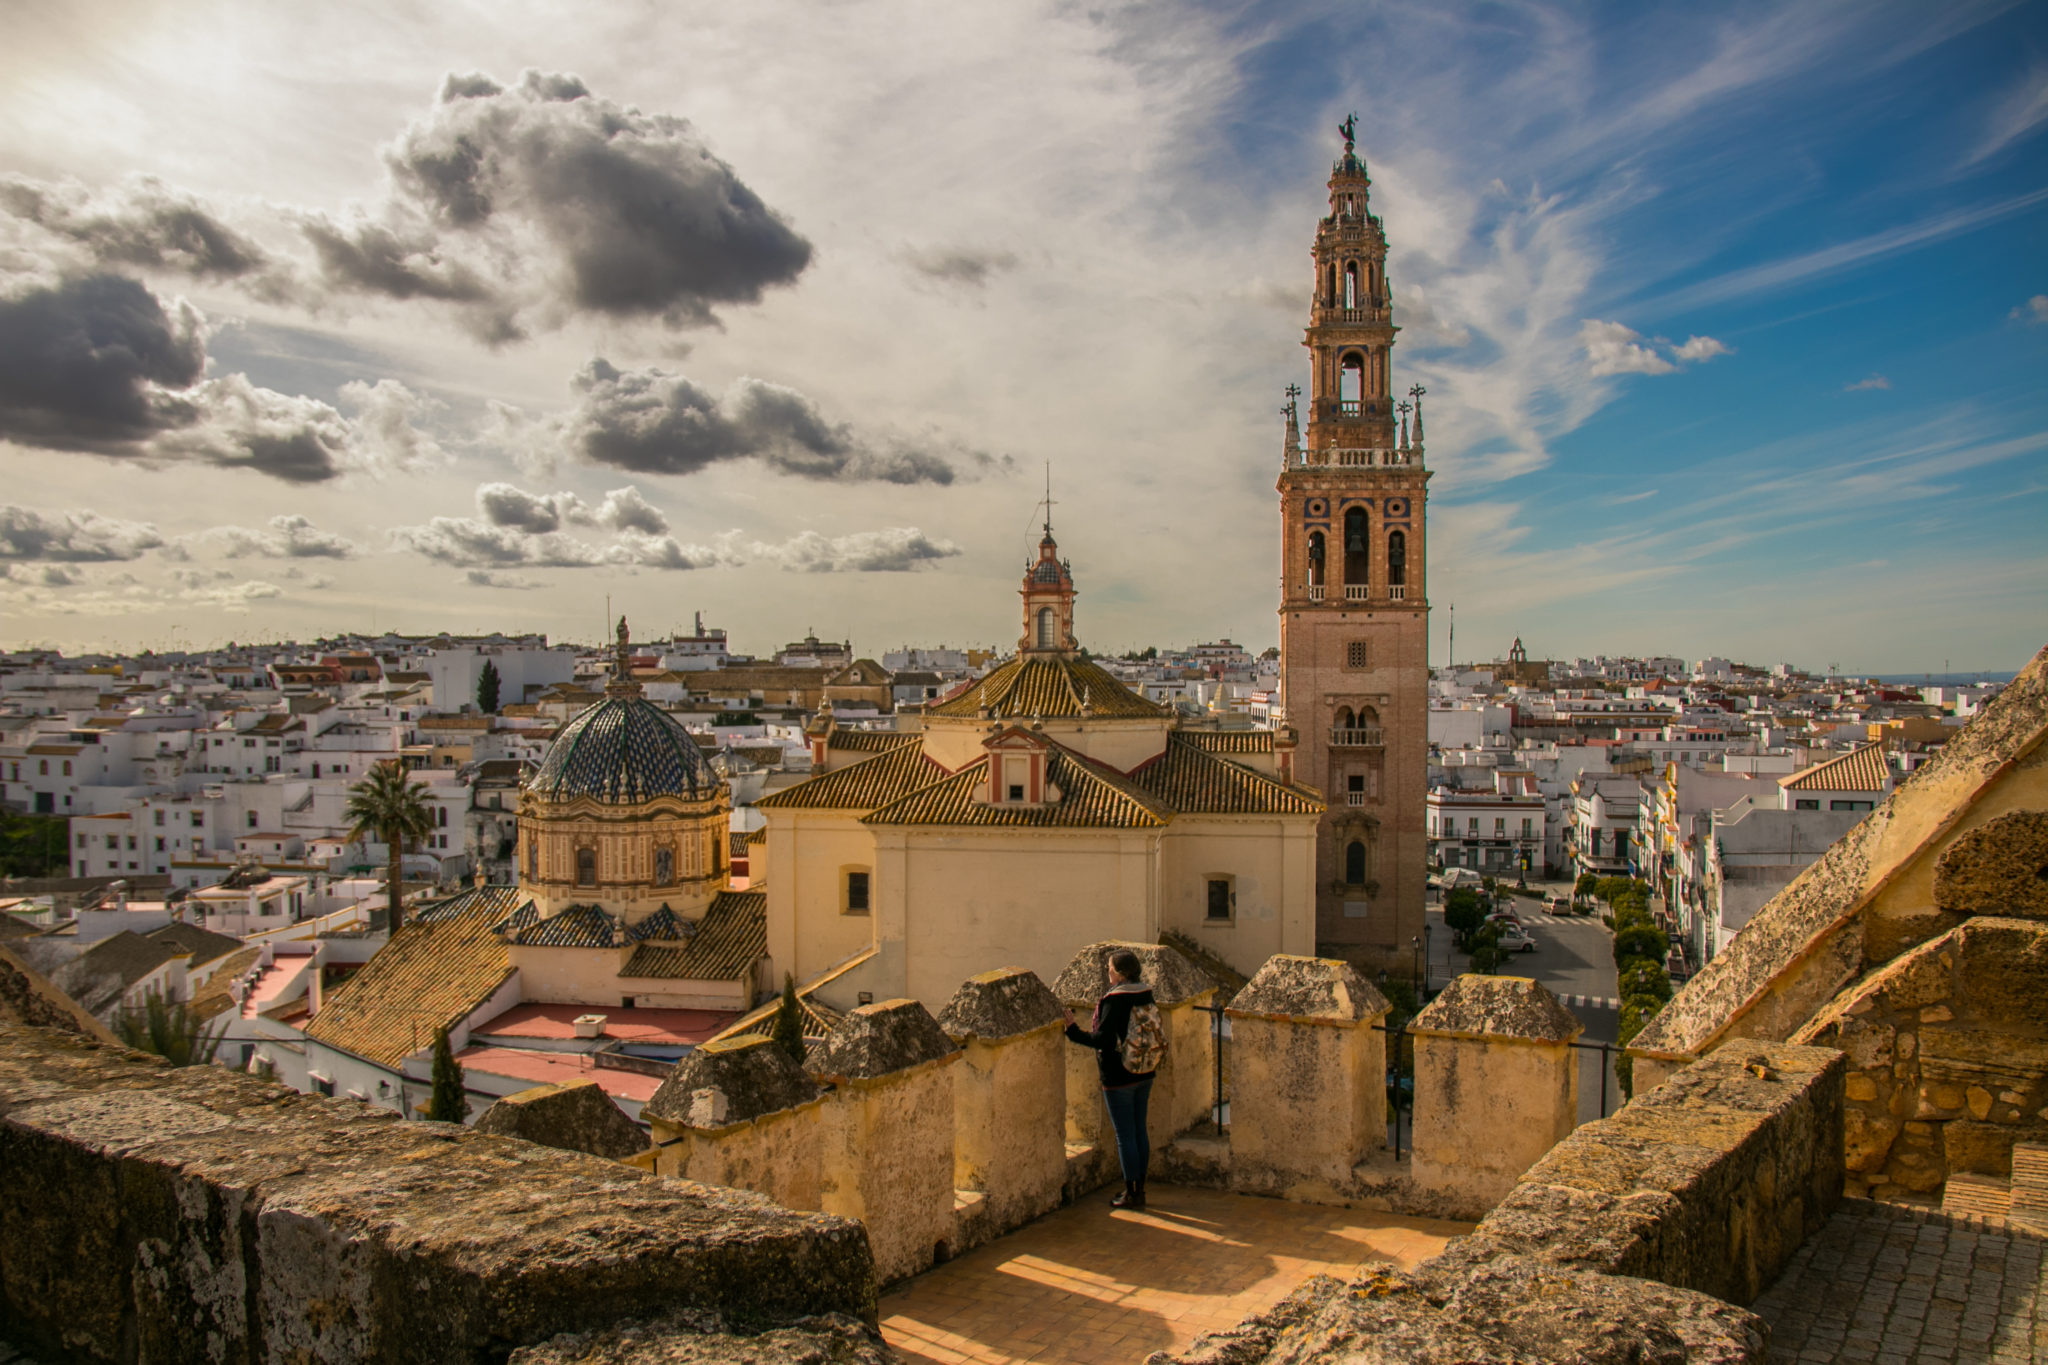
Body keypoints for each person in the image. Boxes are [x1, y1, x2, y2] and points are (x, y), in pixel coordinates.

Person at [1063, 948, 1158, 1210]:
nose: (1108, 973)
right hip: (1145, 1071)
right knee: (1139, 1130)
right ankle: (1140, 1190)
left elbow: (1103, 1040)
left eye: (1110, 969)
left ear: (1120, 973)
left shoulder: (1114, 1000)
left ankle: (1131, 1193)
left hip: (1119, 1077)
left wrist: (1072, 1031)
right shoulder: (1145, 992)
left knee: (1125, 1134)